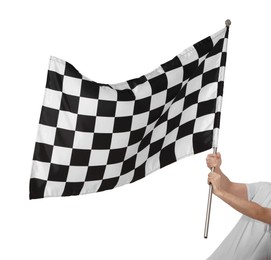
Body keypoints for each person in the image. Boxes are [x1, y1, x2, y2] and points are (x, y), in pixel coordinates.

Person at [206, 152, 271, 260]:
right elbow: (229, 187)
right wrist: (217, 169)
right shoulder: (265, 188)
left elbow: (260, 212)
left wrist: (220, 192)